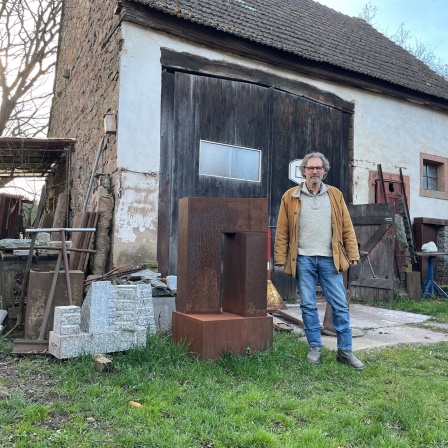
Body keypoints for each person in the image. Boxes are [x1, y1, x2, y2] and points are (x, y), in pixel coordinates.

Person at [274, 152, 365, 370]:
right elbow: (282, 229)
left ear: (324, 171)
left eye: (318, 168)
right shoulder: (290, 196)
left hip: (329, 259)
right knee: (307, 304)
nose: (314, 171)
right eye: (310, 168)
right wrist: (280, 256)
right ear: (303, 170)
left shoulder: (335, 195)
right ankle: (315, 347)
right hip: (303, 259)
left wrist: (352, 254)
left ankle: (345, 351)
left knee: (340, 305)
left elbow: (346, 226)